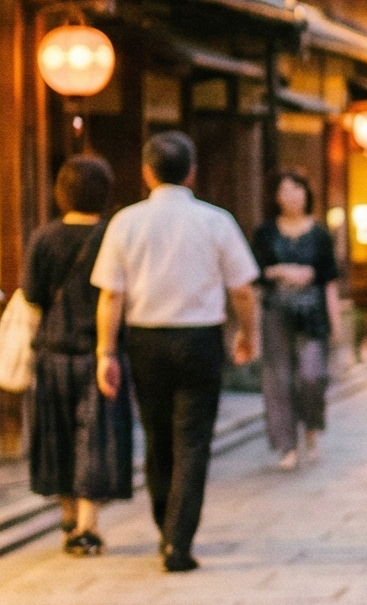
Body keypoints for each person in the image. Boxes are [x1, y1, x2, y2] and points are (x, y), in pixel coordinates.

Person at [91, 131, 259, 573]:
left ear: (147, 173)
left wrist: (105, 352)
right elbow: (242, 289)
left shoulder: (125, 222)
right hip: (200, 338)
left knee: (157, 436)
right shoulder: (216, 220)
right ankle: (178, 542)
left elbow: (111, 295)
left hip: (146, 339)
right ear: (191, 172)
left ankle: (166, 528)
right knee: (194, 439)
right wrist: (248, 334)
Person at [23, 155, 132, 555]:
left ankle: (68, 516)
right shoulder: (112, 237)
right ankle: (88, 524)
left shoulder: (43, 238)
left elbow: (32, 295)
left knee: (57, 433)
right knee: (95, 434)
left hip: (53, 350)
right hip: (100, 351)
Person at [251, 170, 343, 472]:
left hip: (312, 312)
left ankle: (311, 428)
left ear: (306, 193)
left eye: (297, 189)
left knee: (311, 375)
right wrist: (280, 271)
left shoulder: (319, 234)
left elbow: (329, 280)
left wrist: (336, 322)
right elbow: (254, 276)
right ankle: (286, 444)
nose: (291, 195)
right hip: (275, 311)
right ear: (276, 196)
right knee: (278, 378)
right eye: (285, 190)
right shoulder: (265, 233)